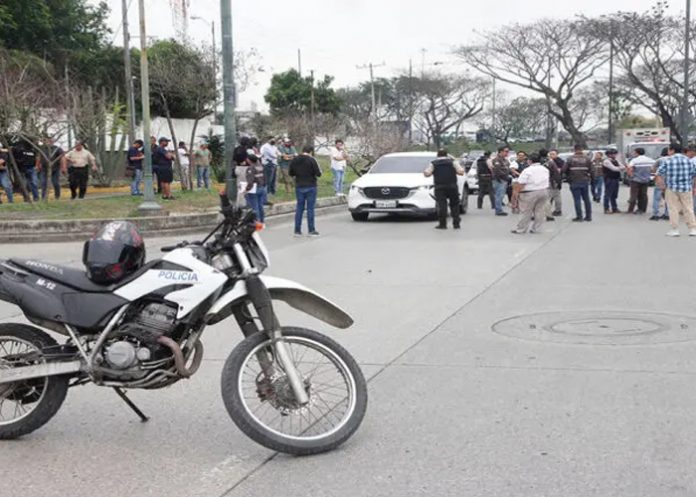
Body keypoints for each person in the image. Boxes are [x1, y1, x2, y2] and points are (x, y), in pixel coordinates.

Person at [656, 143, 696, 237]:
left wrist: (662, 186)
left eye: (669, 150)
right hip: (686, 188)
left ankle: (675, 229)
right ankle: (692, 229)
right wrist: (694, 186)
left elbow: (658, 174)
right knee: (689, 208)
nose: (668, 152)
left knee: (673, 209)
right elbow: (694, 174)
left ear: (672, 150)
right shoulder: (689, 160)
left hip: (671, 188)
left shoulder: (668, 161)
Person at [423, 148, 465, 230]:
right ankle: (456, 223)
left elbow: (427, 174)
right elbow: (461, 172)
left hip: (439, 187)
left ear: (437, 155)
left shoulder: (433, 163)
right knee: (454, 205)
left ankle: (442, 224)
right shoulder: (453, 162)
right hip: (452, 186)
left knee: (442, 205)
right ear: (447, 155)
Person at [511, 152, 550, 234]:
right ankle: (536, 229)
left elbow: (521, 183)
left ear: (530, 161)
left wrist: (515, 194)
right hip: (543, 191)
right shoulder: (545, 169)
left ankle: (521, 229)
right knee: (539, 210)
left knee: (525, 211)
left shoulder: (527, 170)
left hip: (530, 192)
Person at [289, 145, 322, 237]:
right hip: (311, 185)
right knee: (310, 209)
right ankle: (311, 230)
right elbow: (318, 173)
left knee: (299, 208)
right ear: (311, 152)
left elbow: (291, 173)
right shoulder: (312, 160)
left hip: (299, 186)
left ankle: (297, 230)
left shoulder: (295, 160)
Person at [564, 145, 594, 222]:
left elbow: (564, 169)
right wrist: (592, 180)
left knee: (577, 199)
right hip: (584, 181)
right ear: (582, 149)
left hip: (574, 181)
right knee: (586, 199)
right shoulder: (587, 159)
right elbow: (592, 171)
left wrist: (568, 176)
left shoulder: (570, 159)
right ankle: (588, 216)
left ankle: (579, 217)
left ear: (574, 149)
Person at [36, 136, 64, 201]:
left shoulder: (57, 149)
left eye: (50, 140)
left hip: (55, 169)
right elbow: (39, 157)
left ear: (53, 141)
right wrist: (37, 165)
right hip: (44, 169)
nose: (49, 142)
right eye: (47, 140)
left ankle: (57, 196)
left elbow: (62, 157)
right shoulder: (42, 148)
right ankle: (43, 198)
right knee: (43, 183)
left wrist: (63, 167)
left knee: (55, 183)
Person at [626, 147, 653, 214]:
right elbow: (653, 169)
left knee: (634, 195)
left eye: (634, 152)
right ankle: (642, 209)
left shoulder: (634, 160)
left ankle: (630, 210)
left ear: (637, 153)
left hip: (636, 180)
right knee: (644, 195)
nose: (633, 154)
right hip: (646, 180)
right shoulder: (650, 160)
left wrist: (630, 176)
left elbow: (629, 169)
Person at [244, 153, 267, 223]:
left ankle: (257, 222)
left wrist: (246, 189)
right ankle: (262, 221)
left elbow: (250, 181)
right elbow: (265, 177)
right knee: (260, 206)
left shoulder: (250, 168)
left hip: (254, 189)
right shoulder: (261, 166)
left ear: (249, 160)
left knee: (254, 207)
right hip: (262, 187)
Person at [650, 147, 670, 221]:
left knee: (657, 198)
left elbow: (652, 168)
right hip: (670, 181)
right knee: (668, 198)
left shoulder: (660, 159)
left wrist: (656, 172)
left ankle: (656, 214)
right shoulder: (673, 159)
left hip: (660, 180)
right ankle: (667, 214)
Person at [602, 149, 624, 214]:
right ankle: (606, 209)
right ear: (608, 155)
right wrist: (620, 168)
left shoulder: (616, 160)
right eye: (612, 154)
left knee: (614, 195)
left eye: (615, 153)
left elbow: (623, 166)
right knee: (608, 194)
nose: (614, 155)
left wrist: (620, 168)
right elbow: (614, 169)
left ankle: (614, 208)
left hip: (616, 178)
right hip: (609, 179)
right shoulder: (606, 161)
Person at [491, 146, 511, 216]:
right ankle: (498, 210)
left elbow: (508, 169)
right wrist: (501, 178)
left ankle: (499, 209)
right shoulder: (497, 160)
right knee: (499, 195)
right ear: (500, 152)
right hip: (499, 179)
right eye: (506, 151)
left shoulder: (505, 160)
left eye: (507, 151)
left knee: (501, 195)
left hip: (504, 179)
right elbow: (497, 170)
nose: (507, 153)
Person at [544, 149, 564, 218]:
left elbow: (560, 171)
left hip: (554, 180)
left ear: (557, 154)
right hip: (555, 180)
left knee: (551, 196)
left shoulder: (558, 162)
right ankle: (557, 210)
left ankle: (556, 211)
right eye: (550, 154)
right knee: (556, 196)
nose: (551, 155)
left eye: (553, 154)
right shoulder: (549, 161)